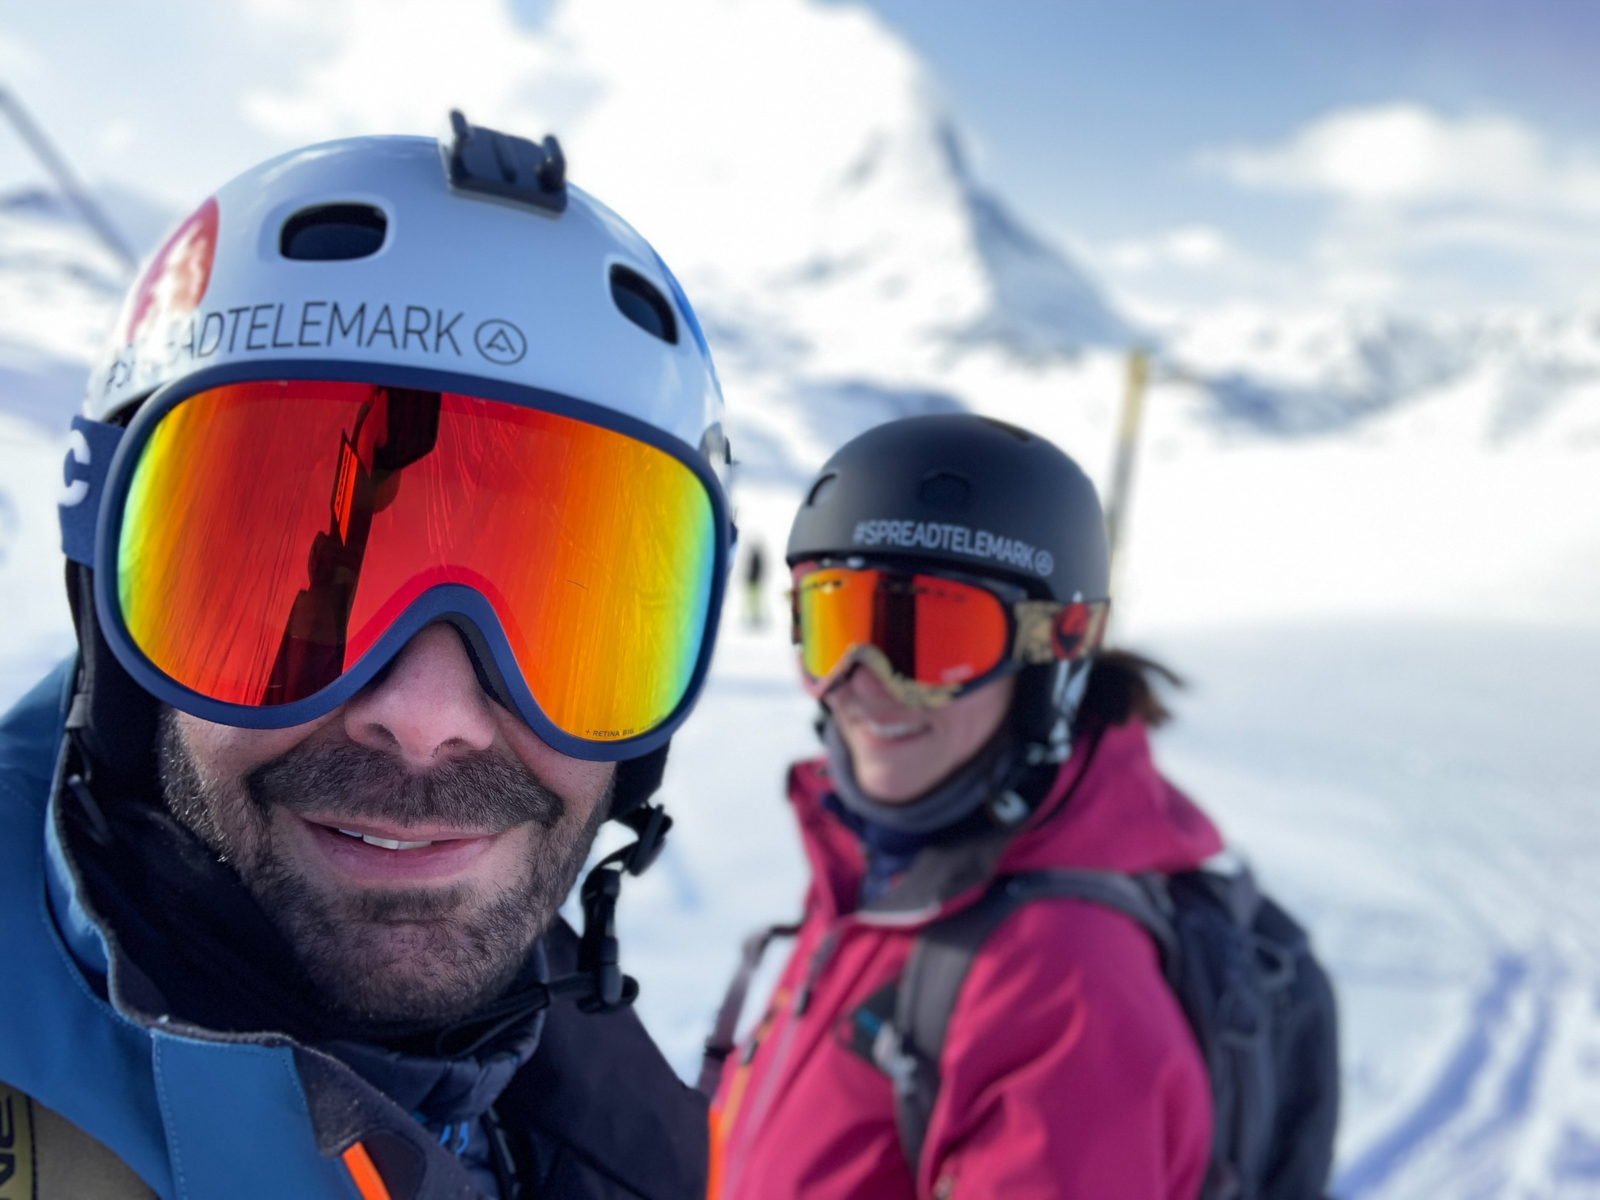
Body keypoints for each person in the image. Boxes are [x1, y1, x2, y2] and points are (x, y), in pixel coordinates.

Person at [0, 114, 732, 1199]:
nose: (430, 716)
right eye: (284, 594)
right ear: (107, 622)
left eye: (568, 614)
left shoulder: (621, 1137)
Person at [707, 414, 1226, 1199]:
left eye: (932, 634)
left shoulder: (1065, 987)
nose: (866, 684)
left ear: (1053, 650)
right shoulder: (883, 871)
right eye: (835, 625)